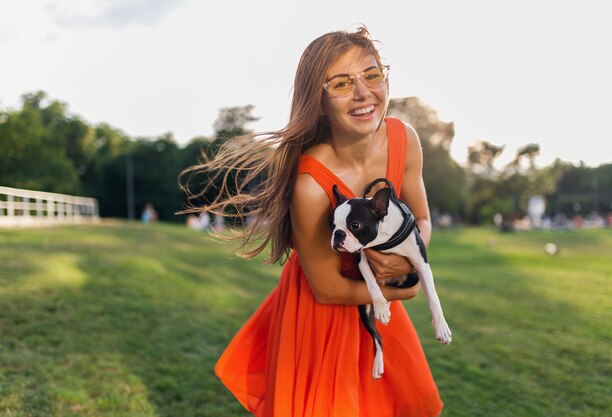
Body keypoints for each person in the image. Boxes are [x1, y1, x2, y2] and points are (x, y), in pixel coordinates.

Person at [181, 26, 444, 417]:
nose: (362, 93)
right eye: (341, 83)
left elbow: (420, 219)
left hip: (375, 301)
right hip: (322, 316)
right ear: (318, 102)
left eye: (372, 75)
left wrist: (406, 264)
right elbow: (328, 290)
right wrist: (402, 291)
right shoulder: (310, 185)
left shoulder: (404, 139)